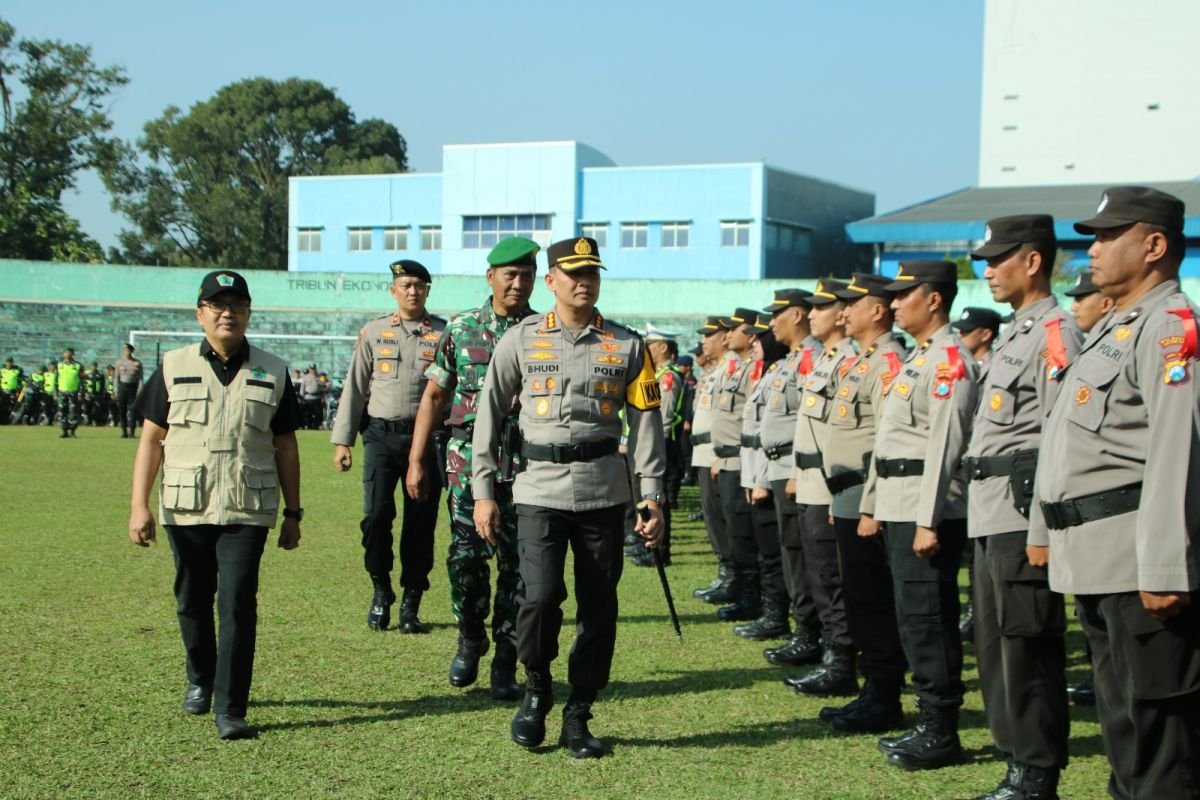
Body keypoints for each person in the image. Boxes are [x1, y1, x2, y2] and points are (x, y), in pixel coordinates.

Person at [1030, 186, 1200, 799]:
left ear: (1154, 245)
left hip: (1137, 565)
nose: (1093, 250)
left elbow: (1178, 453)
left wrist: (1163, 567)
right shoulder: (1115, 329)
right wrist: (1044, 530)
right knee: (1123, 721)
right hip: (1098, 559)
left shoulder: (1169, 329)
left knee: (1159, 732)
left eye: (1108, 236)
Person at [471, 236, 665, 759]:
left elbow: (646, 424)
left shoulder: (626, 345)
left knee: (599, 608)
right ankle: (537, 689)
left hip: (604, 490)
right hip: (538, 488)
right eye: (573, 274)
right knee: (538, 598)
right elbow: (488, 413)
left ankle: (579, 711)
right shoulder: (521, 338)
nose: (584, 282)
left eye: (592, 274)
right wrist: (483, 490)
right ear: (551, 280)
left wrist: (652, 496)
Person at [127, 270, 302, 741]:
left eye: (237, 305)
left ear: (249, 312)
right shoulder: (172, 364)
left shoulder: (274, 369)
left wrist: (294, 512)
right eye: (217, 305)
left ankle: (231, 707)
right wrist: (138, 506)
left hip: (247, 506)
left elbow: (285, 445)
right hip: (187, 507)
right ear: (200, 312)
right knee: (192, 599)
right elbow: (151, 440)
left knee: (239, 603)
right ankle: (200, 679)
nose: (228, 313)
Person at [963, 215, 1082, 800]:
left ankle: (1037, 772)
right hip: (991, 510)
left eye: (998, 259)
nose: (986, 271)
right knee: (994, 643)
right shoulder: (1016, 331)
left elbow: (1062, 437)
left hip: (1021, 511)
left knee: (1027, 643)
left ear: (1032, 262)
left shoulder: (1056, 331)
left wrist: (1042, 527)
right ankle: (1014, 758)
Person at [405, 237, 538, 698]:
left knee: (518, 565)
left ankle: (506, 656)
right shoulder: (461, 329)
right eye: (510, 274)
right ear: (491, 278)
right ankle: (470, 636)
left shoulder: (545, 333)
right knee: (466, 558)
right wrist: (416, 458)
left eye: (527, 274)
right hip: (466, 464)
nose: (518, 283)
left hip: (527, 465)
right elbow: (436, 395)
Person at [864, 260, 979, 770]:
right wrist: (874, 503)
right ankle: (926, 719)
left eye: (903, 294)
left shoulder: (949, 360)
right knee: (912, 617)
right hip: (900, 503)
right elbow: (889, 443)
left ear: (934, 299)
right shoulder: (918, 359)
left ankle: (941, 727)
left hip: (925, 508)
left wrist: (928, 519)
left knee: (930, 619)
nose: (893, 303)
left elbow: (945, 445)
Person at [331, 260, 446, 632]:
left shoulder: (443, 334)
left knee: (420, 525)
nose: (412, 291)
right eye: (405, 284)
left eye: (419, 285)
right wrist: (342, 441)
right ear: (393, 290)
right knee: (376, 517)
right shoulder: (376, 331)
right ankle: (380, 589)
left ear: (428, 290)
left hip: (426, 440)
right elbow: (355, 385)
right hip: (380, 436)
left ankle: (412, 601)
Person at [819, 274, 908, 733]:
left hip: (866, 495)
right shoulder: (862, 361)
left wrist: (871, 505)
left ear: (877, 310)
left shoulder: (889, 361)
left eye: (853, 304)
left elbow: (889, 440)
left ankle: (884, 694)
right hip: (847, 494)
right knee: (858, 597)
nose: (844, 312)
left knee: (874, 600)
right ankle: (872, 689)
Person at [786, 279, 859, 697]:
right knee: (819, 574)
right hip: (812, 482)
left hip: (832, 485)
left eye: (822, 307)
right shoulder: (828, 359)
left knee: (833, 578)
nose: (812, 314)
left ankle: (841, 660)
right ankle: (831, 651)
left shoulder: (850, 361)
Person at [759, 289, 824, 667]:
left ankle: (809, 633)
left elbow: (810, 423)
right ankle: (805, 630)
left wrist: (800, 471)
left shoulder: (811, 359)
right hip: (779, 468)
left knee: (802, 557)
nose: (771, 323)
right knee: (791, 553)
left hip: (796, 470)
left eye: (777, 314)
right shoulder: (789, 361)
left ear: (797, 315)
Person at [1060, 268, 1111, 709]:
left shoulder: (1169, 330)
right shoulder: (1092, 346)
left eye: (1084, 296)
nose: (1074, 303)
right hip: (1081, 514)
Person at [708, 308, 767, 623]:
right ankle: (743, 591)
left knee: (745, 534)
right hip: (729, 458)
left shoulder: (753, 370)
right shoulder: (738, 369)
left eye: (734, 330)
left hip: (743, 460)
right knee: (735, 531)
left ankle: (751, 598)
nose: (727, 335)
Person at [689, 317, 737, 602]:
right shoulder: (714, 371)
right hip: (704, 452)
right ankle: (725, 571)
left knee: (721, 518)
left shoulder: (729, 368)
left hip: (716, 453)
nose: (705, 340)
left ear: (724, 337)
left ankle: (732, 575)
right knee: (712, 516)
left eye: (710, 334)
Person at [114, 343, 143, 438]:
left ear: (131, 351)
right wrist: (116, 390)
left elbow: (140, 378)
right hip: (123, 386)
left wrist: (140, 389)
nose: (126, 352)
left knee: (133, 410)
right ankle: (124, 431)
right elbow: (116, 377)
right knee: (122, 409)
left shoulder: (137, 363)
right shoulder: (119, 363)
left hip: (133, 387)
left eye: (128, 350)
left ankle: (132, 431)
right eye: (124, 350)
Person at [56, 348, 83, 438]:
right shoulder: (59, 365)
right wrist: (55, 393)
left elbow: (82, 380)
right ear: (63, 354)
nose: (68, 354)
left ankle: (72, 431)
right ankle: (64, 431)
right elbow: (55, 380)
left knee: (73, 412)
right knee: (62, 412)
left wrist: (80, 392)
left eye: (70, 353)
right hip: (62, 392)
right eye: (66, 352)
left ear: (73, 354)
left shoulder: (78, 365)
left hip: (73, 392)